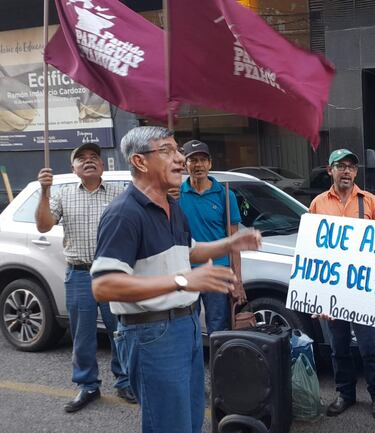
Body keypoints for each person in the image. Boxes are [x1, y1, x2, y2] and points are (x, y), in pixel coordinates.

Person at [90, 126, 262, 433]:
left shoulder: (172, 208)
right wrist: (183, 281)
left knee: (190, 420)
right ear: (140, 162)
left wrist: (229, 244)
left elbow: (191, 252)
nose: (180, 159)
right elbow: (104, 285)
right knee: (169, 425)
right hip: (152, 333)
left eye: (178, 150)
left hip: (187, 326)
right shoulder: (124, 214)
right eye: (168, 151)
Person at [34, 141, 135, 412]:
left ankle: (125, 381)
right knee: (82, 334)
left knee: (121, 331)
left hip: (114, 273)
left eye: (94, 157)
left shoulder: (121, 192)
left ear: (102, 165)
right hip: (79, 274)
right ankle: (87, 385)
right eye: (82, 158)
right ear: (74, 168)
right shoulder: (61, 194)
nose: (89, 160)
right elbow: (43, 224)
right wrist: (44, 191)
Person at [308, 148, 375, 419]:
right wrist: (315, 293)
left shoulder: (370, 203)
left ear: (356, 172)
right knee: (338, 346)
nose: (346, 171)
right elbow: (311, 250)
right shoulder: (318, 204)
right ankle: (345, 394)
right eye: (340, 166)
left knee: (370, 346)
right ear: (329, 169)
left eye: (351, 167)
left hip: (364, 289)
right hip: (333, 290)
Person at [178, 139, 245, 333]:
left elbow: (234, 242)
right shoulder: (175, 195)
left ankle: (219, 364)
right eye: (193, 160)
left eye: (203, 160)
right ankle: (193, 364)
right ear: (185, 164)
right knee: (186, 327)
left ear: (210, 163)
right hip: (186, 270)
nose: (198, 165)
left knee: (219, 327)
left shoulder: (225, 195)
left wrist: (237, 280)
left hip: (218, 271)